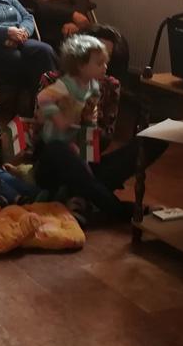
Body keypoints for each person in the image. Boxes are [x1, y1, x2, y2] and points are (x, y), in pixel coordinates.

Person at [34, 35, 131, 222]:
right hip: (54, 143)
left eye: (106, 63)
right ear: (80, 66)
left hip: (76, 138)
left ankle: (80, 196)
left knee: (86, 165)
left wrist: (90, 123)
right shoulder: (66, 85)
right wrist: (59, 119)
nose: (105, 67)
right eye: (99, 63)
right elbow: (43, 98)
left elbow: (90, 111)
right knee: (68, 156)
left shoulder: (93, 86)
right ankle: (105, 204)